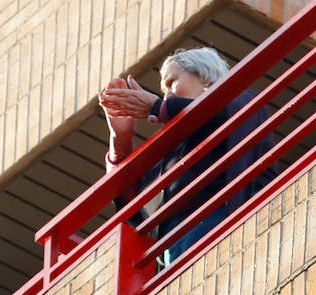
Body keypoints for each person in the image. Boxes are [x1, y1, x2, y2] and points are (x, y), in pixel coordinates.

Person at [99, 47, 273, 266]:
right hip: (173, 252)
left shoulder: (240, 101)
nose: (167, 95)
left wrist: (157, 107)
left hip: (223, 227)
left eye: (172, 82)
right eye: (163, 92)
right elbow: (133, 207)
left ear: (207, 79)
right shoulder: (170, 153)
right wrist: (121, 140)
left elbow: (216, 114)